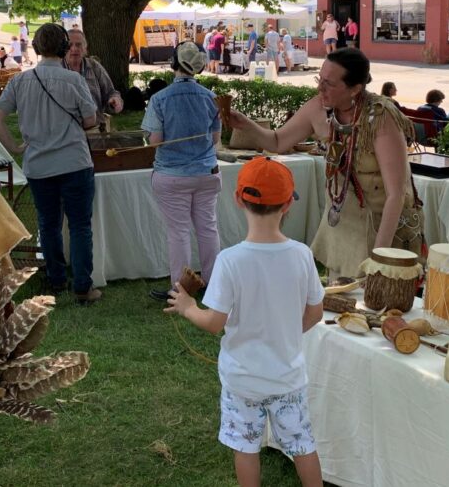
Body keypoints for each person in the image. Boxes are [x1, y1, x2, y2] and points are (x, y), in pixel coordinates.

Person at [164, 157, 325, 487]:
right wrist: (285, 335)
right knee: (303, 445)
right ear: (288, 205)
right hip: (288, 378)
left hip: (243, 381)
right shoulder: (301, 254)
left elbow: (213, 323)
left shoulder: (229, 260)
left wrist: (187, 306)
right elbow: (315, 312)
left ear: (238, 199)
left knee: (246, 447)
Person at [228, 48, 423, 280]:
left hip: (383, 229)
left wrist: (379, 260)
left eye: (329, 83)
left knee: (377, 306)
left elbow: (396, 194)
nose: (320, 88)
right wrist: (245, 124)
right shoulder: (319, 108)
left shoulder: (380, 118)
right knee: (343, 303)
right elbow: (278, 141)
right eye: (320, 79)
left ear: (355, 89)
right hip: (345, 224)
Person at [0, 23, 102, 305]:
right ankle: (83, 287)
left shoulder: (20, 81)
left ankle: (55, 280)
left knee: (48, 225)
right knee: (79, 226)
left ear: (37, 48)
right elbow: (90, 121)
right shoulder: (73, 80)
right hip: (75, 162)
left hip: (39, 166)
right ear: (64, 48)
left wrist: (15, 147)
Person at [143, 41, 222, 301]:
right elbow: (215, 139)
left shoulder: (159, 99)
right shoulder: (210, 97)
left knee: (179, 232)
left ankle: (180, 289)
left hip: (173, 175)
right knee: (207, 228)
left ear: (173, 61)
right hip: (206, 173)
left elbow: (154, 141)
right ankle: (212, 283)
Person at [64, 28, 124, 114]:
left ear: (85, 48)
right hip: (66, 125)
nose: (74, 49)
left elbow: (111, 93)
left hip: (95, 124)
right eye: (70, 45)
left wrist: (115, 101)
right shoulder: (57, 68)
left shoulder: (93, 66)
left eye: (78, 45)